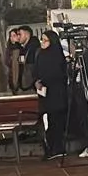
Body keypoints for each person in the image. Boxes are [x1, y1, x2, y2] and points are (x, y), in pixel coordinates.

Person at [33, 29, 70, 161]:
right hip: (44, 94)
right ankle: (50, 148)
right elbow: (36, 71)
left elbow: (58, 74)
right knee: (49, 120)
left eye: (45, 40)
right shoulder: (40, 54)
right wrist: (37, 81)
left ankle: (57, 148)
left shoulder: (57, 55)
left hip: (57, 92)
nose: (42, 42)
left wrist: (44, 81)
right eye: (42, 39)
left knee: (57, 121)